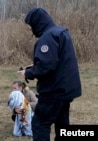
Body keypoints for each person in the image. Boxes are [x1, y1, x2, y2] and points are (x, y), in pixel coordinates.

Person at [17, 8, 82, 141]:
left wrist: (28, 72)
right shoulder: (61, 32)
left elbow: (45, 67)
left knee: (39, 123)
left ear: (37, 22)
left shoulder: (48, 37)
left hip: (54, 91)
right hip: (66, 90)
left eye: (30, 26)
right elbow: (58, 62)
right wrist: (36, 66)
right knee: (62, 125)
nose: (31, 29)